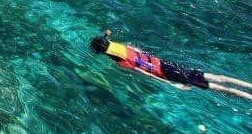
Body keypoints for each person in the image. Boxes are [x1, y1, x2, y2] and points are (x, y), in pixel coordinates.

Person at [90, 30, 252, 100]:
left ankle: (249, 97)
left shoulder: (121, 62)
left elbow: (147, 73)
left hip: (169, 74)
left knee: (219, 88)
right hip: (168, 65)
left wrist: (171, 84)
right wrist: (106, 35)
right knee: (220, 78)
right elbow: (137, 50)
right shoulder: (123, 48)